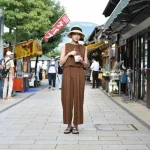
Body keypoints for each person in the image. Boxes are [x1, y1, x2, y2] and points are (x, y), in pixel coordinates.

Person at [60, 26, 88, 134]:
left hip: (79, 72)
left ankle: (76, 125)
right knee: (66, 97)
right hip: (67, 72)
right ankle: (68, 124)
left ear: (80, 36)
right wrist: (68, 54)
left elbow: (86, 64)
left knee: (78, 97)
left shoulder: (84, 48)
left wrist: (81, 61)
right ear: (71, 35)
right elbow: (61, 62)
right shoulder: (65, 46)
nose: (77, 36)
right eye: (74, 34)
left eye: (78, 34)